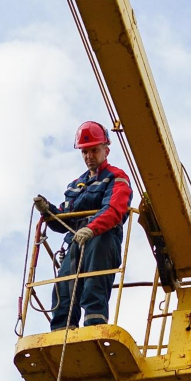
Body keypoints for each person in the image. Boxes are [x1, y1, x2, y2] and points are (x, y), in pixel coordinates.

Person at [34, 121, 133, 331]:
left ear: (106, 150)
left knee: (93, 283)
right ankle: (61, 331)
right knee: (63, 287)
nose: (89, 156)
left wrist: (92, 228)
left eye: (94, 151)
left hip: (102, 241)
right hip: (75, 244)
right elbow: (64, 220)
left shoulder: (116, 177)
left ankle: (93, 327)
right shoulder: (75, 185)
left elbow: (115, 209)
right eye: (85, 152)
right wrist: (48, 210)